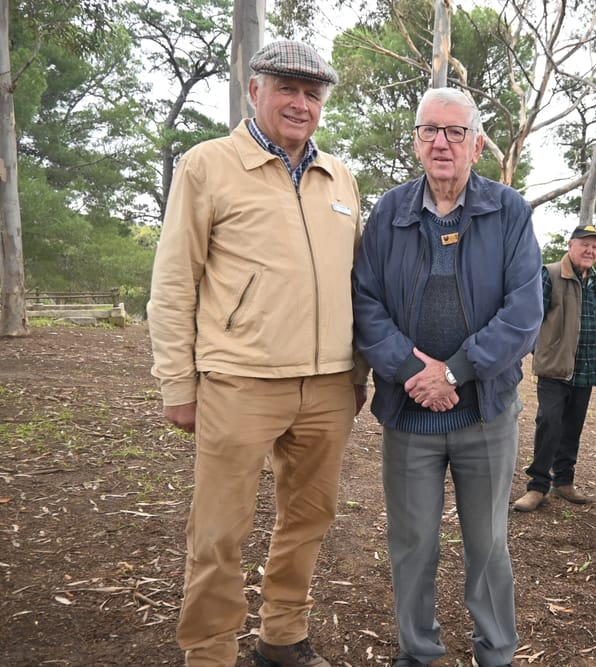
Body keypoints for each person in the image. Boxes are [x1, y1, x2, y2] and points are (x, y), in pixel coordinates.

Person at [147, 41, 367, 667]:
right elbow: (174, 281)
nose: (300, 103)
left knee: (310, 519)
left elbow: (358, 282)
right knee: (219, 531)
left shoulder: (340, 176)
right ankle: (210, 652)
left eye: (312, 94)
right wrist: (178, 383)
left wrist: (356, 371)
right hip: (239, 380)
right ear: (254, 90)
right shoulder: (208, 165)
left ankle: (283, 637)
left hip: (328, 385)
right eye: (286, 89)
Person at [351, 87, 542, 667]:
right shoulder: (388, 213)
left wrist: (455, 372)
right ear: (415, 142)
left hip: (485, 412)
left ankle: (496, 652)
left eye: (455, 132)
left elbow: (524, 312)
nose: (442, 142)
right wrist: (414, 372)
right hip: (409, 413)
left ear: (476, 145)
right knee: (412, 544)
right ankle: (419, 653)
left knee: (488, 544)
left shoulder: (508, 211)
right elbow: (365, 303)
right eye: (430, 130)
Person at [512, 225, 596, 512]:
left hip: (585, 368)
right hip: (555, 369)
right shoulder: (550, 274)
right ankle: (537, 486)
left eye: (594, 246)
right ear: (570, 245)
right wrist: (544, 351)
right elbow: (531, 318)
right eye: (584, 244)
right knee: (550, 424)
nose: (590, 250)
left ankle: (564, 481)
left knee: (572, 428)